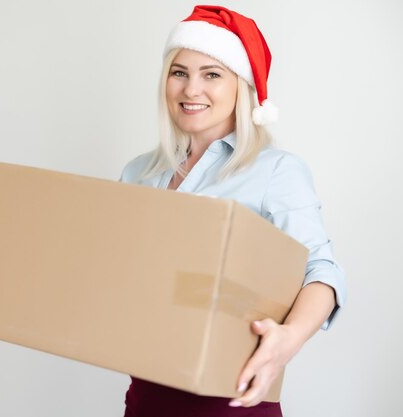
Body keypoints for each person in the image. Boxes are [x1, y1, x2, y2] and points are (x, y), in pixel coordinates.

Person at [119, 5, 346, 417]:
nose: (191, 90)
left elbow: (322, 270)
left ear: (239, 86)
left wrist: (288, 340)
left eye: (212, 74)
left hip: (231, 400)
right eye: (179, 72)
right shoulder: (138, 172)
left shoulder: (276, 171)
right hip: (146, 397)